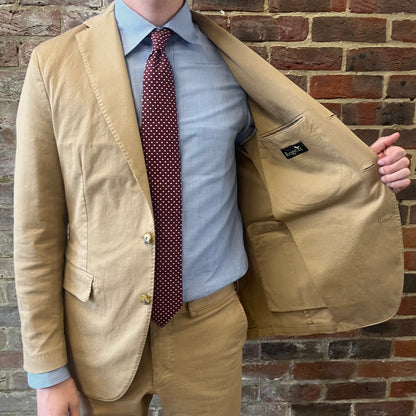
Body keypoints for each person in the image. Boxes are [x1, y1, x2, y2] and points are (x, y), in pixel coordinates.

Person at [14, 0, 411, 415]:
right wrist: (48, 372)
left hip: (208, 325)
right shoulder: (54, 65)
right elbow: (35, 227)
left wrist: (364, 172)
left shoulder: (232, 63)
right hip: (98, 329)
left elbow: (285, 169)